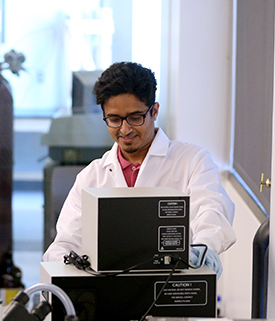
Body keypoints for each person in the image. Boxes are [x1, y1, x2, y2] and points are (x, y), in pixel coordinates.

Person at [43, 62, 236, 276]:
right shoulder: (90, 178)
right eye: (114, 119)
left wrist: (204, 246)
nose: (125, 130)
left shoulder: (192, 161)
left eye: (135, 118)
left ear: (154, 110)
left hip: (171, 287)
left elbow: (212, 209)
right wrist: (59, 274)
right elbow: (67, 241)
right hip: (108, 292)